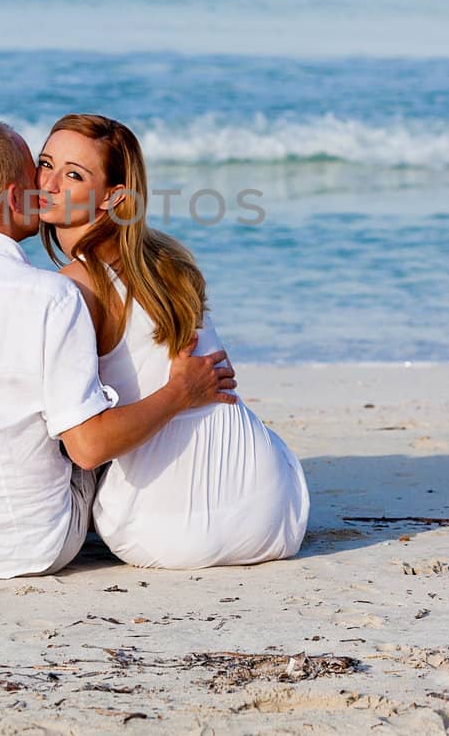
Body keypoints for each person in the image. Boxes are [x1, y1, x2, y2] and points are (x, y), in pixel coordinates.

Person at [0, 118, 237, 580]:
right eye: (39, 171)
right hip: (37, 546)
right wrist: (178, 394)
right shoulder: (53, 297)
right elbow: (88, 452)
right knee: (70, 401)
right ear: (14, 198)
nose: (45, 185)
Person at [37, 113, 309, 569]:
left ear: (112, 197)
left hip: (169, 532)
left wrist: (178, 393)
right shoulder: (166, 260)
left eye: (73, 174)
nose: (48, 182)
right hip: (278, 510)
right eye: (46, 164)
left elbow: (86, 449)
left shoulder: (77, 285)